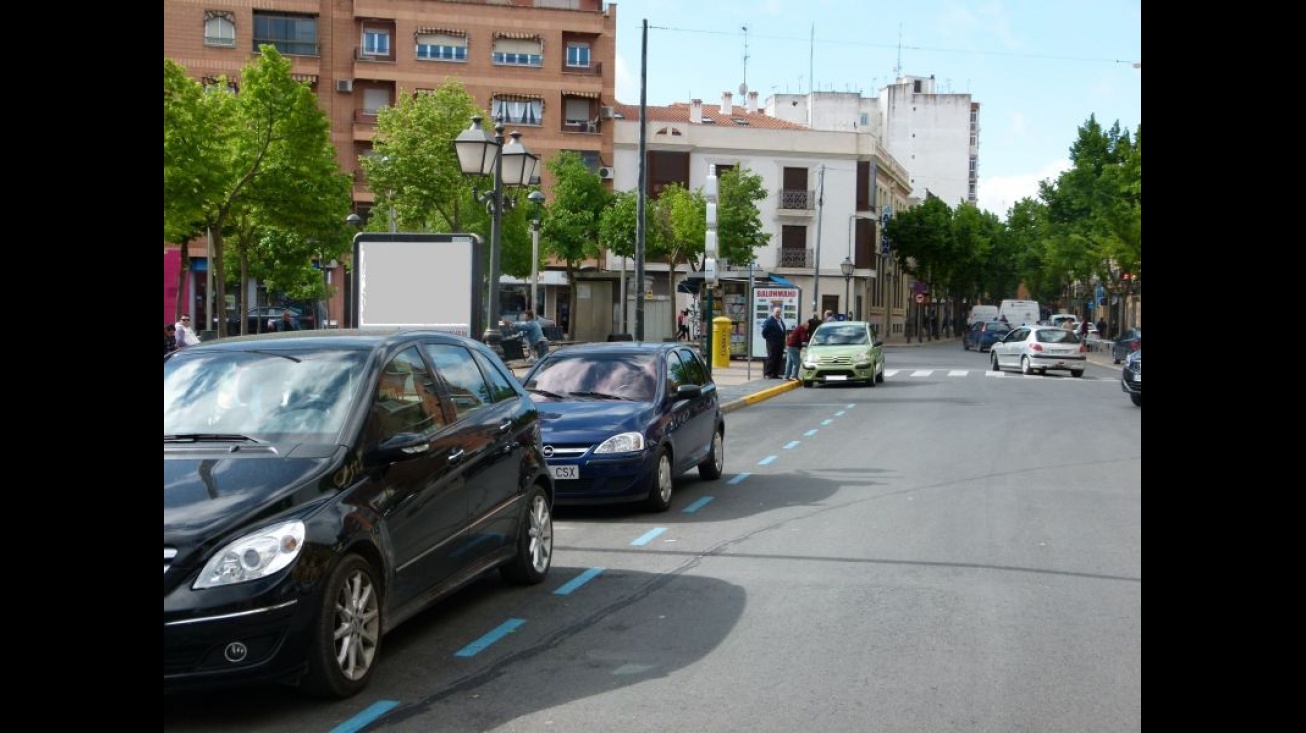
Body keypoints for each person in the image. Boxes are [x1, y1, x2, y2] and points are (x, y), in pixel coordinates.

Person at [783, 316, 814, 381]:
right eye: (808, 326)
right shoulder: (802, 329)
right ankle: (794, 376)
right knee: (797, 362)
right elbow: (803, 341)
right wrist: (809, 346)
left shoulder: (798, 328)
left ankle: (786, 376)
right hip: (794, 347)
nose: (808, 328)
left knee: (789, 362)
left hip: (789, 345)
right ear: (805, 325)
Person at [761, 306, 787, 378]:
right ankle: (767, 373)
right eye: (776, 312)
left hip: (780, 343)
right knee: (771, 357)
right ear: (773, 312)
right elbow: (764, 332)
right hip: (772, 343)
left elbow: (782, 331)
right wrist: (770, 340)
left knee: (778, 358)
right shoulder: (769, 321)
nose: (778, 313)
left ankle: (775, 374)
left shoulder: (780, 320)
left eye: (779, 312)